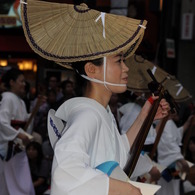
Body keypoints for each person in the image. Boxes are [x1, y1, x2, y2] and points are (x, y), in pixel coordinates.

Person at [20, 1, 170, 194]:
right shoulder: (87, 115)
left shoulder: (101, 112)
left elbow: (119, 153)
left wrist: (146, 114)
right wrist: (127, 190)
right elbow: (66, 171)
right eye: (118, 61)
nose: (125, 68)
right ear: (92, 70)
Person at [0, 68, 35, 195]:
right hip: (6, 148)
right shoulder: (7, 98)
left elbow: (25, 123)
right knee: (5, 184)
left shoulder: (20, 101)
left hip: (18, 148)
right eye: (21, 81)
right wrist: (18, 134)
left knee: (21, 182)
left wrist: (34, 113)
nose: (24, 84)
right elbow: (2, 121)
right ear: (11, 82)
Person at [156, 113, 194, 195]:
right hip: (169, 163)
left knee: (171, 188)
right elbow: (169, 143)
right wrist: (181, 160)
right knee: (170, 189)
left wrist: (187, 123)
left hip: (170, 163)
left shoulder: (169, 123)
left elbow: (177, 135)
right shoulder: (167, 123)